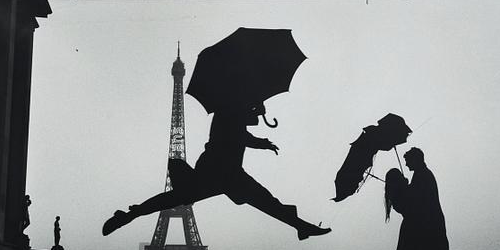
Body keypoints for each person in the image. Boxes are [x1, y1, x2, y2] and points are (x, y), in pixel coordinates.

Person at [102, 101, 331, 240]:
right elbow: (241, 132)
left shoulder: (231, 110)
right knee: (266, 201)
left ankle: (130, 214)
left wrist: (258, 120)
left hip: (219, 172)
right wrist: (261, 133)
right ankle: (301, 226)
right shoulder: (230, 111)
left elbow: (244, 128)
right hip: (222, 172)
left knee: (173, 198)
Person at [402, 147, 459, 250]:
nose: (406, 165)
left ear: (416, 159)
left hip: (430, 224)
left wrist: (406, 189)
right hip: (432, 222)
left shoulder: (422, 176)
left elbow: (417, 200)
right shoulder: (422, 174)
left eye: (408, 161)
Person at [384, 168, 418, 250]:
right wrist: (408, 186)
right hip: (412, 226)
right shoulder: (399, 194)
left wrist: (406, 186)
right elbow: (413, 203)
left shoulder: (394, 194)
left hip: (409, 226)